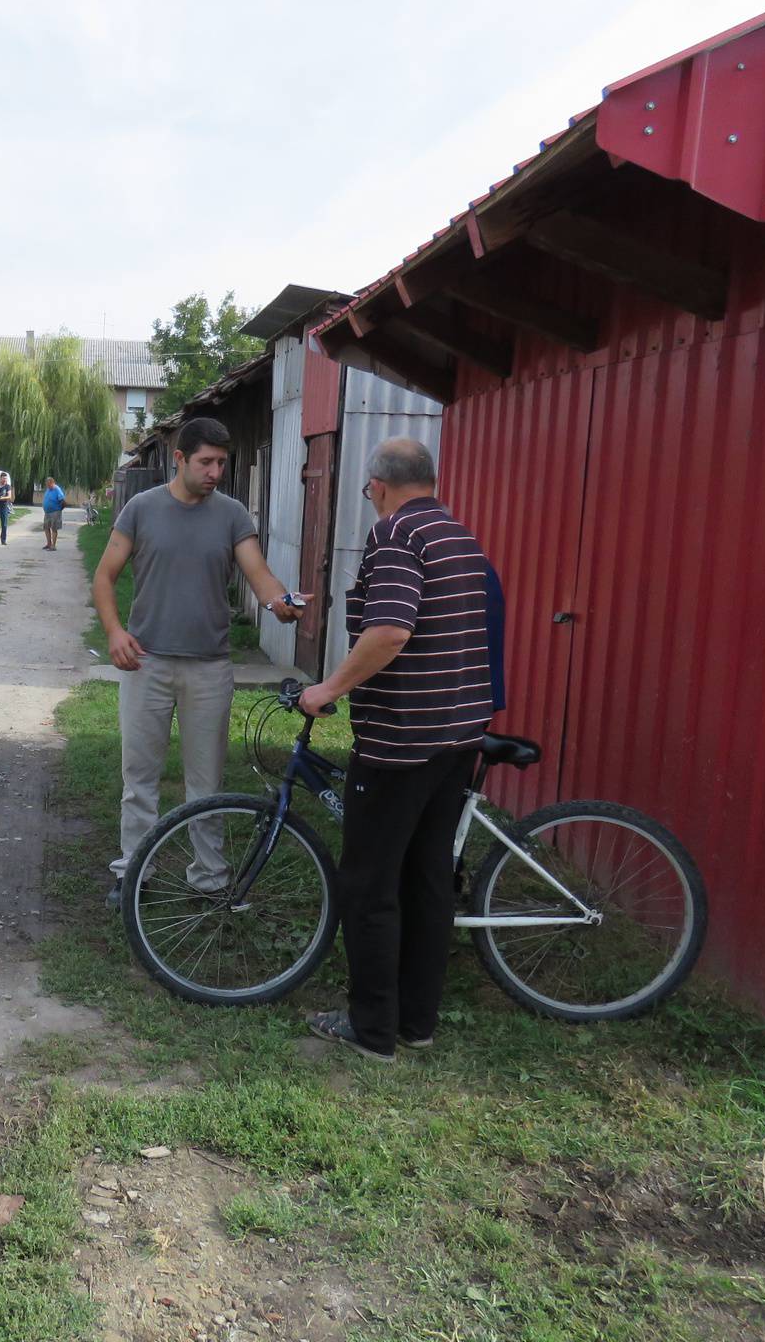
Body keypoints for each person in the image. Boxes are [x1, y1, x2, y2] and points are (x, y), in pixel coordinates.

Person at [298, 437, 496, 1063]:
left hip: (402, 741)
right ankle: (416, 1021)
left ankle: (372, 1028)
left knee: (370, 882)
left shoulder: (397, 537)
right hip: (458, 736)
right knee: (427, 878)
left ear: (379, 486)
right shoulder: (458, 535)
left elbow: (389, 630)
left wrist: (329, 687)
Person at [93, 416, 303, 905]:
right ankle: (133, 874)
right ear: (180, 459)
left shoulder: (230, 515)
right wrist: (115, 632)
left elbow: (260, 575)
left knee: (205, 783)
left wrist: (279, 603)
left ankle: (209, 879)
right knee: (139, 776)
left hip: (209, 668)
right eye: (206, 462)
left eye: (222, 463)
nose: (214, 472)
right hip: (146, 663)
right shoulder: (141, 509)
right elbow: (104, 577)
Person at [40, 475, 66, 551]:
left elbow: (63, 501)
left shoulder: (57, 489)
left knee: (54, 528)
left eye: (48, 484)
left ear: (52, 483)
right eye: (46, 484)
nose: (47, 486)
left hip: (55, 512)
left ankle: (53, 546)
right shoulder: (48, 489)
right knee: (46, 527)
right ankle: (49, 543)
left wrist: (59, 509)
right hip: (47, 512)